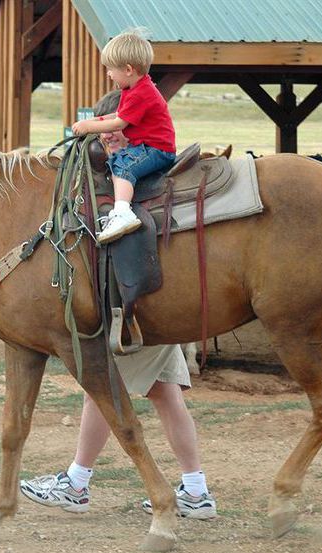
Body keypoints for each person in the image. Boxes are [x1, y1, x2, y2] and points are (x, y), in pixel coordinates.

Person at [20, 93, 216, 521]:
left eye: (115, 130)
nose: (109, 140)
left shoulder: (123, 184)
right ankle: (197, 492)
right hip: (157, 314)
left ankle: (76, 483)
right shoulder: (138, 182)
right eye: (104, 132)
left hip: (136, 316)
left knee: (102, 392)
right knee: (167, 397)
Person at [71, 29, 176, 244]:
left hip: (156, 149)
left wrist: (89, 127)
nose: (108, 74)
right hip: (151, 146)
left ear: (128, 69)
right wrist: (95, 122)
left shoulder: (141, 93)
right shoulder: (134, 89)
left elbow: (120, 122)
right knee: (119, 161)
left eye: (110, 69)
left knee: (122, 167)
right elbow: (118, 115)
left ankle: (122, 212)